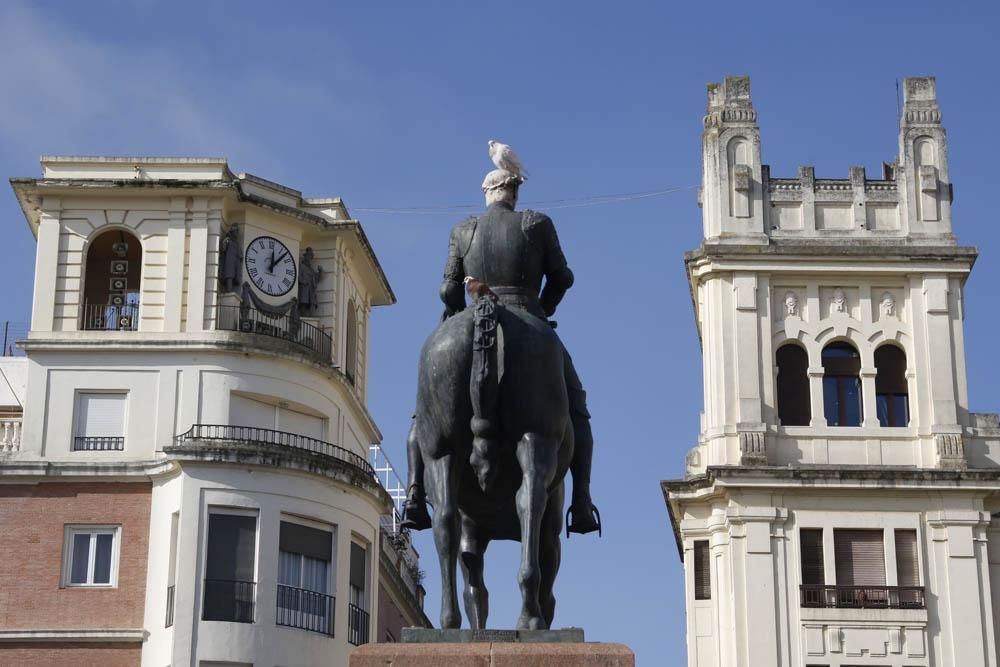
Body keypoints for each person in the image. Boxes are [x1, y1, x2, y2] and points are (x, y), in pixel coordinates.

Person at [402, 168, 600, 535]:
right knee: (577, 408)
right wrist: (544, 309)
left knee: (422, 413)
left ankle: (415, 493)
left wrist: (458, 314)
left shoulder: (462, 230)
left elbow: (448, 291)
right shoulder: (537, 223)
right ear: (514, 194)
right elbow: (563, 278)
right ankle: (583, 501)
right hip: (529, 317)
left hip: (471, 314)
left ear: (486, 194)